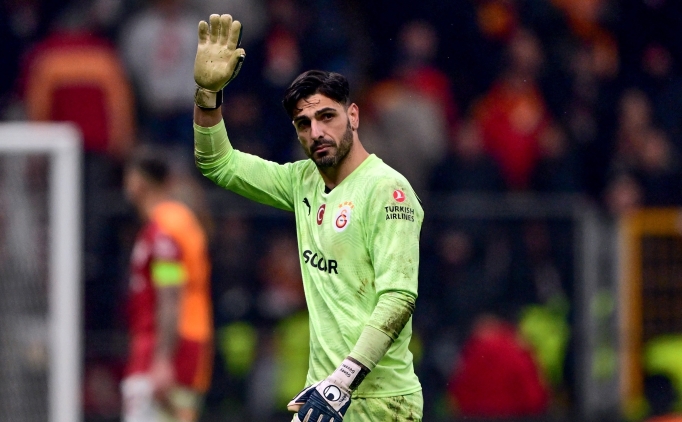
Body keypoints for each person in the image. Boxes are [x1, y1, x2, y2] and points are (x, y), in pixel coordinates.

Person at [192, 14, 424, 422]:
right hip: (324, 395)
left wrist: (342, 382)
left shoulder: (388, 190)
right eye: (304, 123)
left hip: (380, 402)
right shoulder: (302, 181)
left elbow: (398, 298)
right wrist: (207, 95)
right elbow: (217, 163)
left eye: (327, 117)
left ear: (353, 116)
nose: (316, 132)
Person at [121, 150, 213, 422]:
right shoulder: (179, 221)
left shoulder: (164, 229)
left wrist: (162, 360)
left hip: (169, 345)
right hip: (187, 339)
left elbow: (170, 294)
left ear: (138, 181)